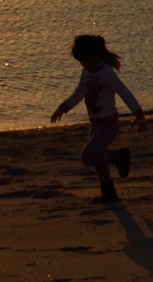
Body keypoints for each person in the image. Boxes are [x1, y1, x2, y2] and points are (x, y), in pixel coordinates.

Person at [51, 34, 146, 203]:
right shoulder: (86, 72)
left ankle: (119, 156)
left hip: (109, 124)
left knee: (88, 157)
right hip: (95, 124)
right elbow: (79, 93)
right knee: (98, 163)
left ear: (96, 56)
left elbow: (124, 92)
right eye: (81, 62)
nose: (84, 64)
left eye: (85, 60)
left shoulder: (106, 74)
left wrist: (139, 115)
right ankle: (109, 195)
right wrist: (62, 108)